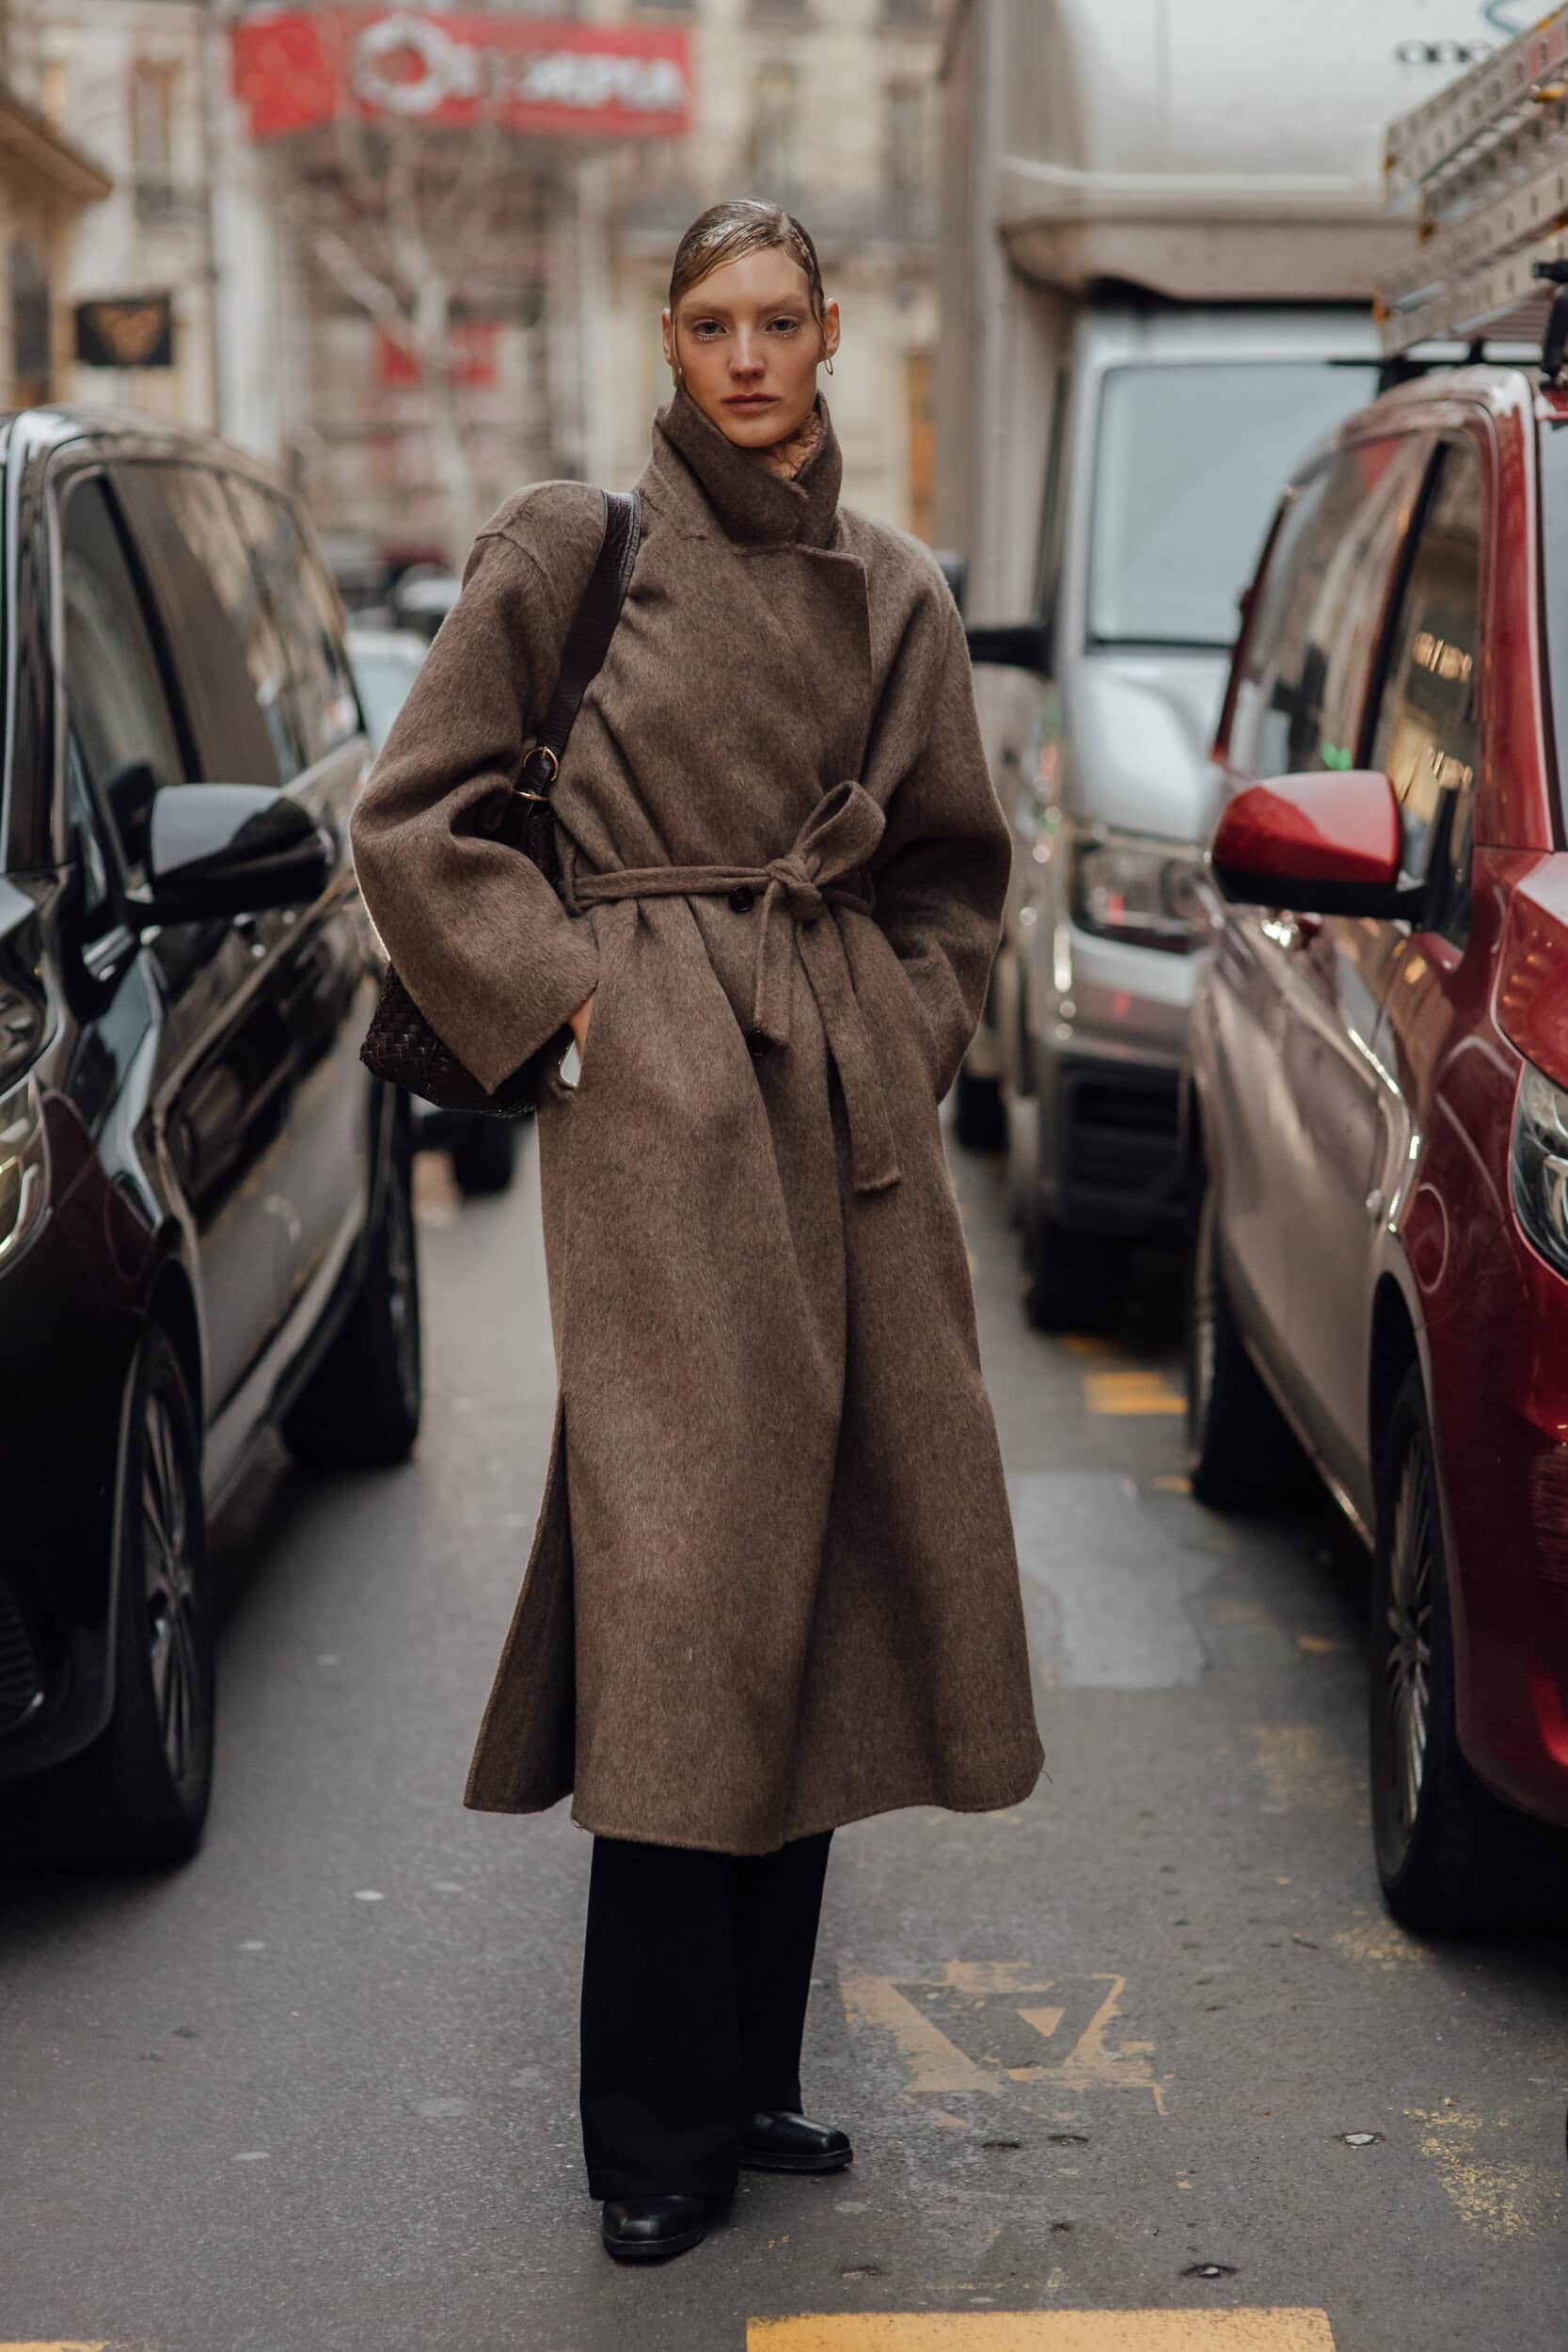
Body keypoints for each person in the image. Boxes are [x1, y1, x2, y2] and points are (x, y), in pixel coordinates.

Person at [350, 199, 1045, 2265]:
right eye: (712, 323)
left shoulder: (896, 588)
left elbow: (954, 873)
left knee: (820, 1569)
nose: (747, 356)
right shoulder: (570, 551)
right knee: (682, 1580)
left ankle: (744, 2073)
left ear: (829, 335)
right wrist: (577, 1009)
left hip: (843, 1117)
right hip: (654, 1120)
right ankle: (649, 2127)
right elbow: (411, 816)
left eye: (779, 322)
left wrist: (898, 1032)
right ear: (668, 337)